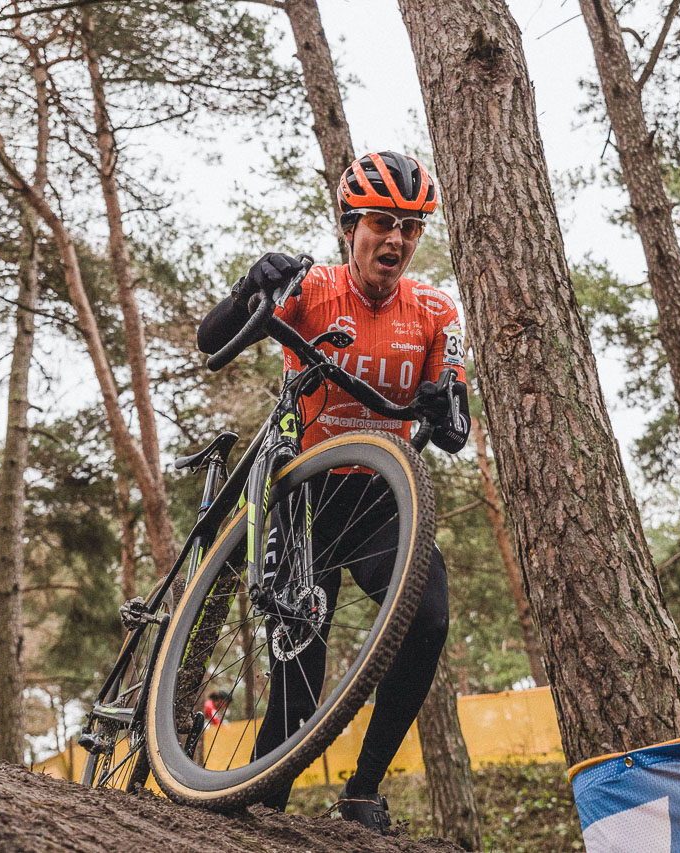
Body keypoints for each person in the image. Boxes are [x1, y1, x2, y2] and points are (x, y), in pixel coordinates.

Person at [196, 151, 470, 834]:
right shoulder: (309, 287)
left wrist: (443, 406)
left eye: (412, 227)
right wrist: (245, 289)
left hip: (382, 499)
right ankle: (262, 800)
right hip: (307, 496)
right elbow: (213, 340)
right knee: (301, 674)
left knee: (428, 618)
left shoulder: (436, 309)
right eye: (383, 222)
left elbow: (458, 425)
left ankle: (364, 787)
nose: (398, 240)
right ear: (352, 226)